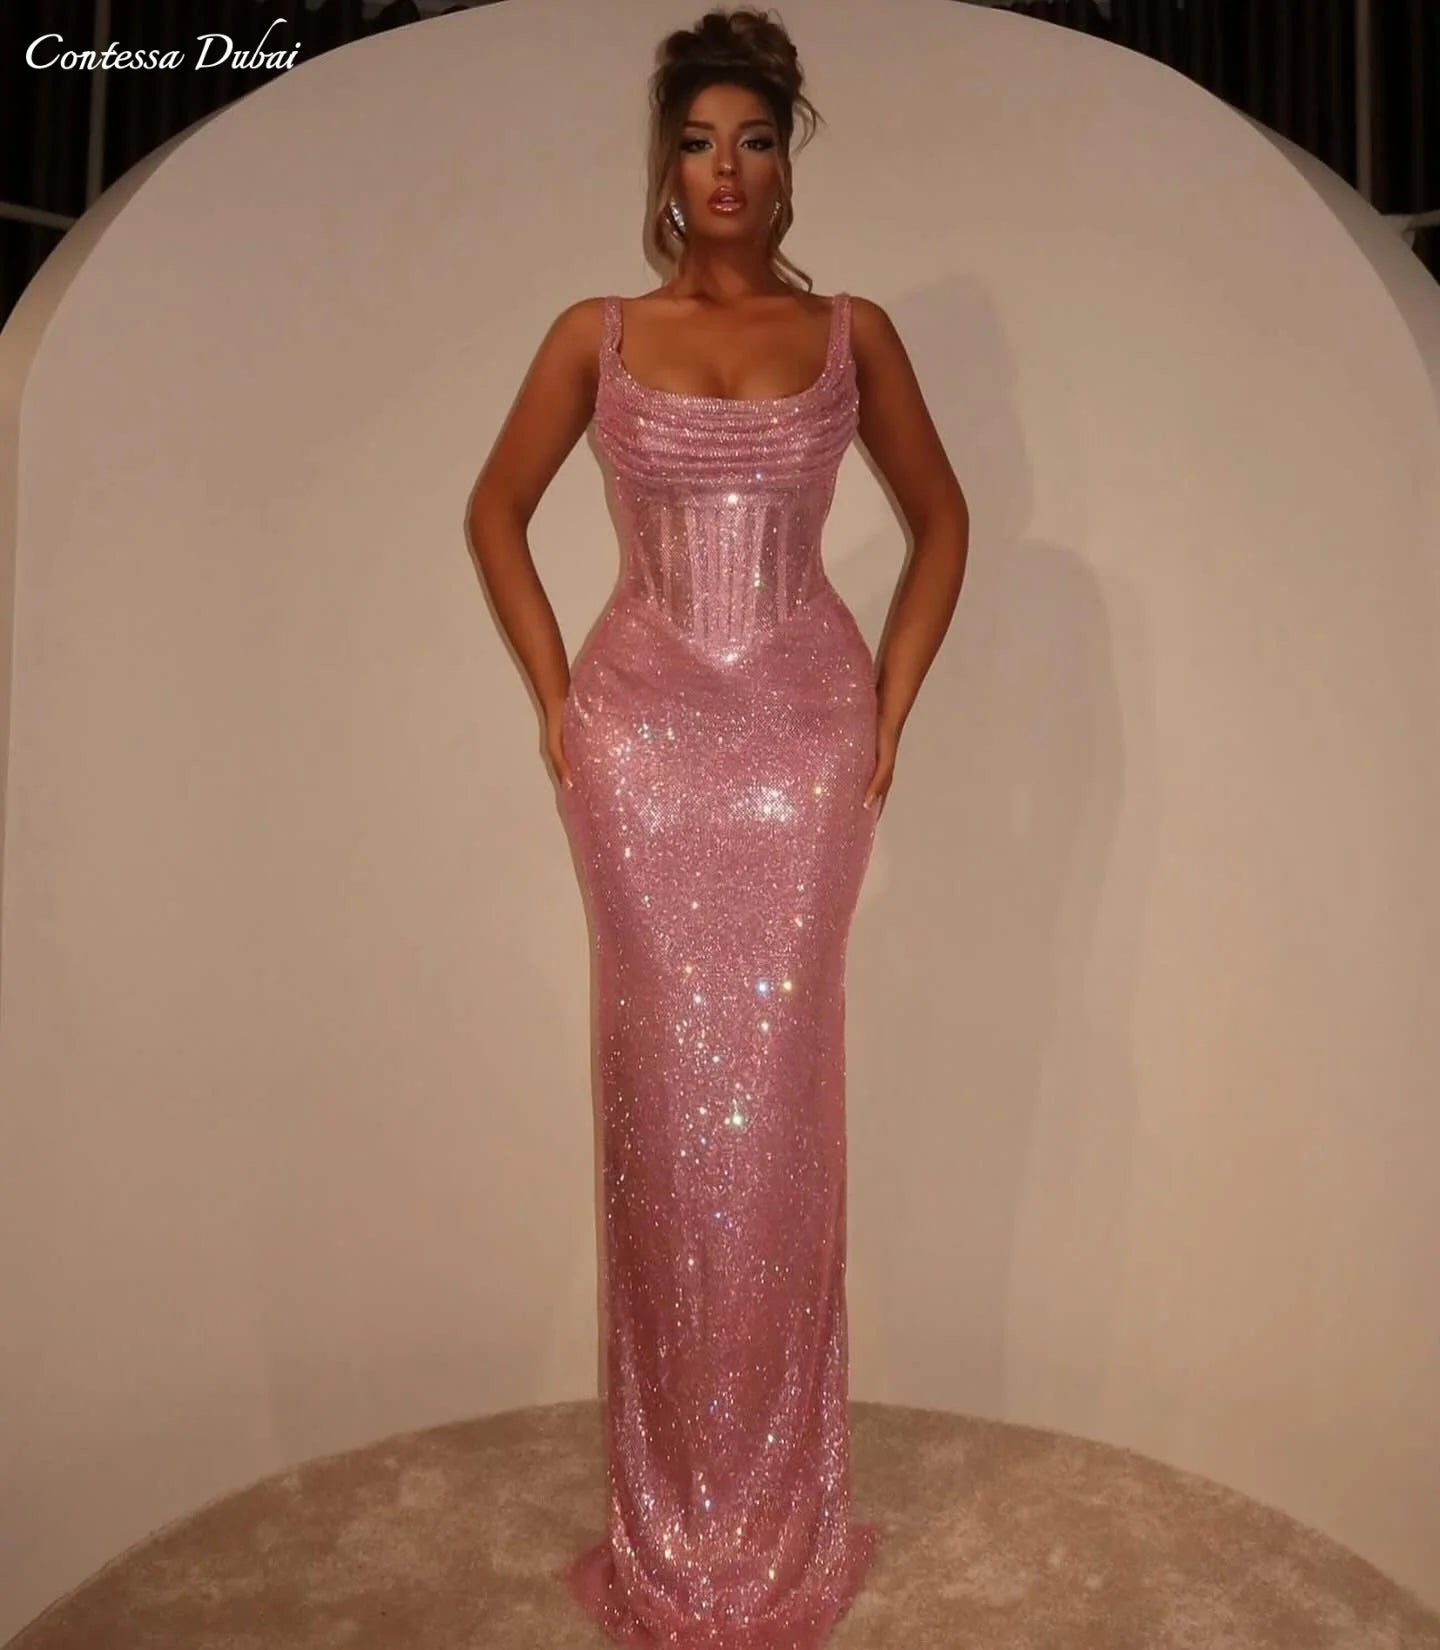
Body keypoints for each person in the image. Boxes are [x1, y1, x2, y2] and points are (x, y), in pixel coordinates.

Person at [467, 9, 968, 1644]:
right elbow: (494, 510)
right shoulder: (598, 332)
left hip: (801, 753)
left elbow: (944, 520)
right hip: (642, 755)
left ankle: (780, 1506)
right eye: (698, 143)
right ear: (666, 166)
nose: (726, 170)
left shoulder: (854, 335)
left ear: (788, 159)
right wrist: (560, 700)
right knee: (664, 1113)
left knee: (780, 1108)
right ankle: (672, 1511)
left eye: (754, 139)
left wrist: (887, 709)